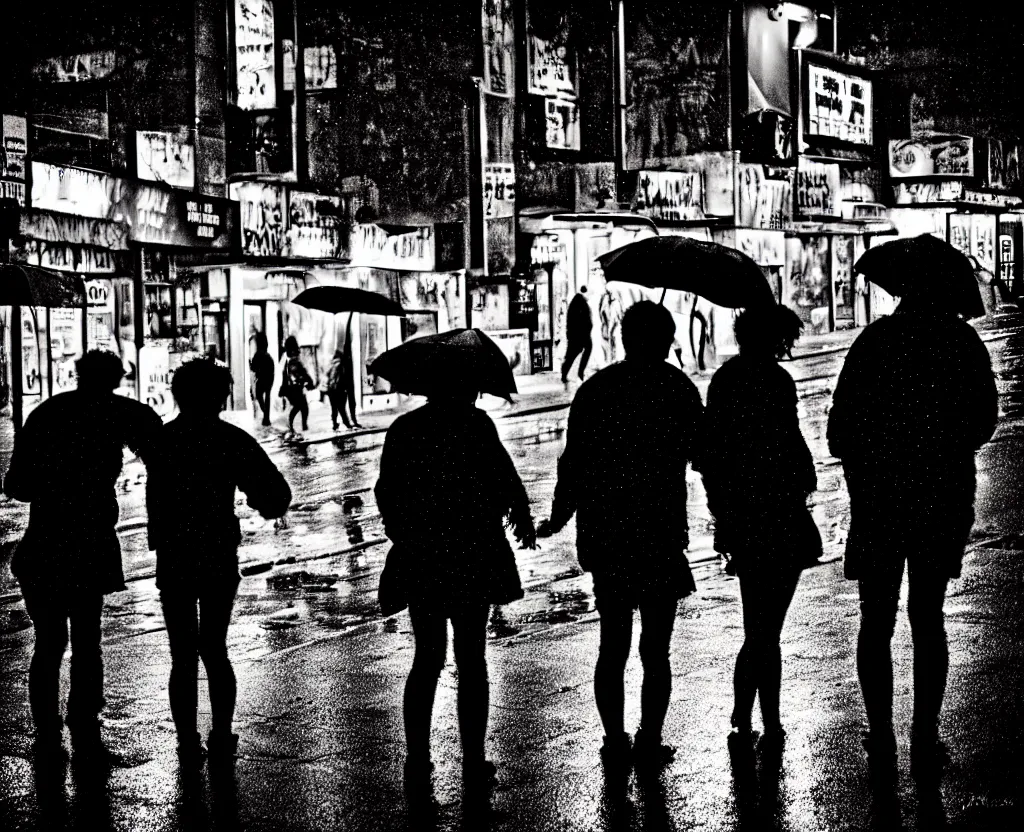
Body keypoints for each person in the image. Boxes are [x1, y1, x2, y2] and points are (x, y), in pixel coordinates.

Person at [827, 289, 998, 791]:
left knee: (875, 618)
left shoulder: (874, 342)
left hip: (880, 501)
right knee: (928, 617)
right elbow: (984, 423)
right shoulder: (962, 343)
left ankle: (881, 731)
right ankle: (925, 732)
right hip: (940, 501)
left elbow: (840, 429)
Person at [536, 300, 704, 769]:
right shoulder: (677, 389)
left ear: (624, 337)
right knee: (656, 649)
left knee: (613, 645)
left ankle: (615, 739)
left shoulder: (596, 391)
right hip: (659, 535)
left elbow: (574, 466)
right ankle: (650, 738)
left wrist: (559, 515)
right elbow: (706, 456)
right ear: (666, 340)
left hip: (607, 535)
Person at [374, 382, 536, 788]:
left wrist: (407, 533)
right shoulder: (476, 425)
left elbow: (387, 493)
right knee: (471, 659)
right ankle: (473, 759)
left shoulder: (405, 428)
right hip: (471, 556)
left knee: (426, 659)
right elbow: (504, 482)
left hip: (424, 556)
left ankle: (417, 758)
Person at [2, 350, 162, 754]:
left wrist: (54, 483)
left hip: (44, 544)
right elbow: (162, 454)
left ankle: (47, 727)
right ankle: (84, 716)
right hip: (89, 545)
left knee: (49, 641)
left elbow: (16, 485)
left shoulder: (47, 414)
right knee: (87, 639)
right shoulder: (124, 413)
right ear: (117, 378)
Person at [146, 358, 292, 761]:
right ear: (217, 394)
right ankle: (221, 733)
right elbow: (275, 494)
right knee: (215, 648)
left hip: (175, 556)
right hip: (216, 554)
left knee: (182, 655)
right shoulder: (230, 439)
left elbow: (155, 503)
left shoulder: (163, 440)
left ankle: (186, 739)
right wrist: (258, 502)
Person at [695, 306, 819, 755]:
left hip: (744, 516)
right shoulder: (777, 382)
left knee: (758, 624)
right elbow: (791, 443)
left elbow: (711, 455)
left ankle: (749, 713)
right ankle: (766, 717)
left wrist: (722, 514)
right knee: (769, 628)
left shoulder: (725, 380)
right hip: (781, 514)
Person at [280, 335, 314, 437]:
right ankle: (296, 425)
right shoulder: (292, 361)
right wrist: (305, 381)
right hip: (294, 388)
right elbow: (297, 373)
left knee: (301, 407)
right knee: (301, 406)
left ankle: (300, 425)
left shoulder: (290, 359)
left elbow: (300, 372)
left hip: (294, 387)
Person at [326, 337, 362, 431]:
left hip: (331, 389)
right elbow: (343, 377)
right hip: (338, 389)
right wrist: (345, 388)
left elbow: (327, 375)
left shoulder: (331, 364)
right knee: (341, 408)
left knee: (334, 408)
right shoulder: (341, 364)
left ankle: (334, 424)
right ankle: (347, 424)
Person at [561, 285, 593, 384]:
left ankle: (569, 372)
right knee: (573, 353)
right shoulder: (580, 302)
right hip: (579, 334)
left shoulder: (577, 301)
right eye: (589, 294)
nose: (590, 297)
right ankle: (577, 372)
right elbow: (581, 319)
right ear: (585, 292)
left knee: (572, 353)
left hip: (578, 334)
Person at [249, 331, 275, 427]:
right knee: (267, 396)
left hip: (262, 378)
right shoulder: (267, 355)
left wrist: (251, 364)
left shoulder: (257, 355)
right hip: (269, 377)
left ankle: (266, 415)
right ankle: (266, 417)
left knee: (259, 395)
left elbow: (253, 368)